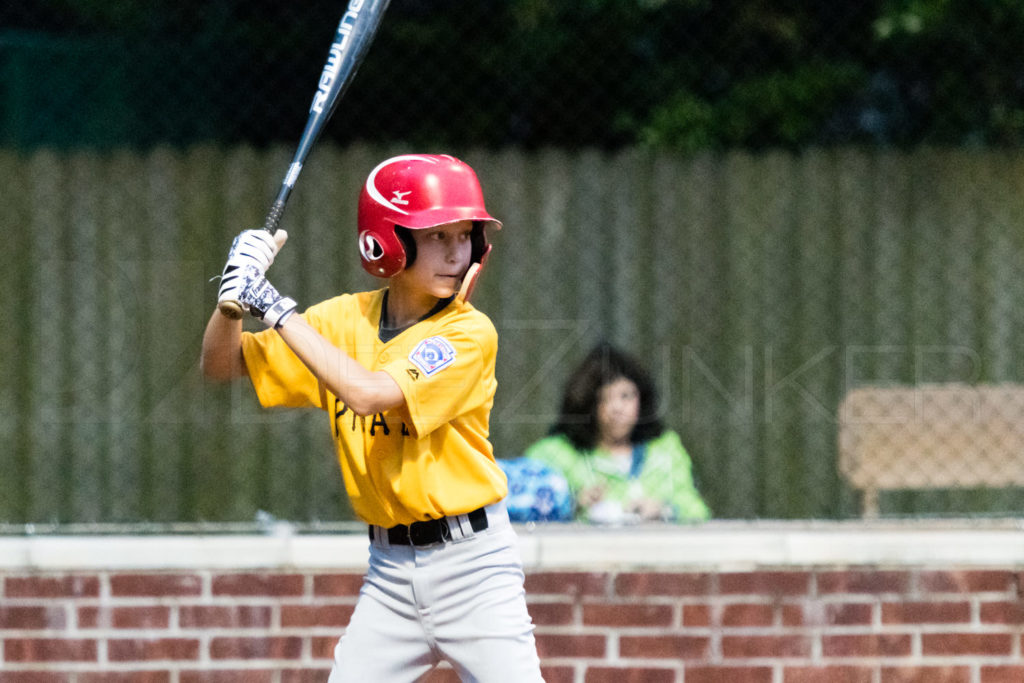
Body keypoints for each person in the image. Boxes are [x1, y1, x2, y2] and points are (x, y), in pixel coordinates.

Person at [200, 154, 544, 683]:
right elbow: (221, 365)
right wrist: (229, 305)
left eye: (465, 235)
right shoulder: (341, 320)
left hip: (474, 568)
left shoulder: (469, 333)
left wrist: (271, 304)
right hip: (389, 572)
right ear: (387, 241)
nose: (458, 252)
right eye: (437, 236)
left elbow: (368, 394)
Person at [524, 342, 711, 525]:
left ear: (641, 399)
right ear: (587, 404)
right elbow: (523, 505)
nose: (617, 408)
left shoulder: (666, 451)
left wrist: (665, 510)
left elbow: (697, 511)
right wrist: (571, 504)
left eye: (626, 396)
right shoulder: (555, 454)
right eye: (605, 398)